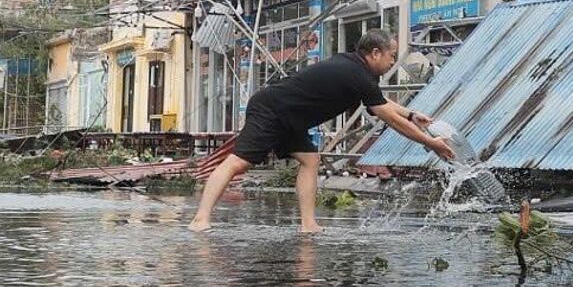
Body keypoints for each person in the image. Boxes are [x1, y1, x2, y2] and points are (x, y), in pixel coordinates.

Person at [189, 28, 455, 233]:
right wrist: (431, 143)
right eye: (390, 56)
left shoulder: (357, 71)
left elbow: (381, 103)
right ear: (375, 53)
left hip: (291, 116)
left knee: (310, 160)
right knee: (238, 163)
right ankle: (200, 219)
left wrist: (410, 113)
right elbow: (389, 119)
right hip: (272, 109)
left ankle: (308, 224)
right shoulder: (357, 74)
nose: (391, 62)